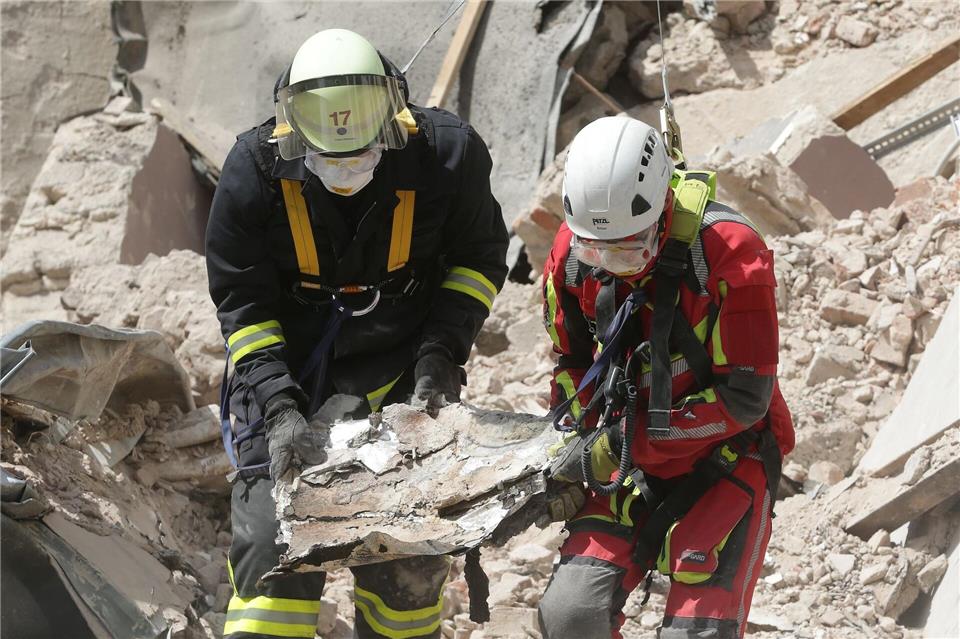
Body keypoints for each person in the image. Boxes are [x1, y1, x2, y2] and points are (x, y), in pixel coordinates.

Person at [205, 28, 508, 639]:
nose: (346, 169)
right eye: (329, 156)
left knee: (408, 556)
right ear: (294, 134)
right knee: (273, 549)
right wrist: (278, 406)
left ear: (392, 123)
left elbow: (478, 260)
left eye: (362, 152)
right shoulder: (255, 169)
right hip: (289, 377)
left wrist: (440, 355)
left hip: (402, 374)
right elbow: (242, 300)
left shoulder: (446, 156)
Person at [536, 116, 795, 639]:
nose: (613, 264)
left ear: (661, 212)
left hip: (726, 454)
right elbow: (571, 364)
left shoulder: (729, 252)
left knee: (695, 634)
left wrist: (617, 444)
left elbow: (744, 399)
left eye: (629, 248)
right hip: (626, 465)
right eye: (597, 250)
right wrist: (566, 453)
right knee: (569, 618)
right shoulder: (573, 255)